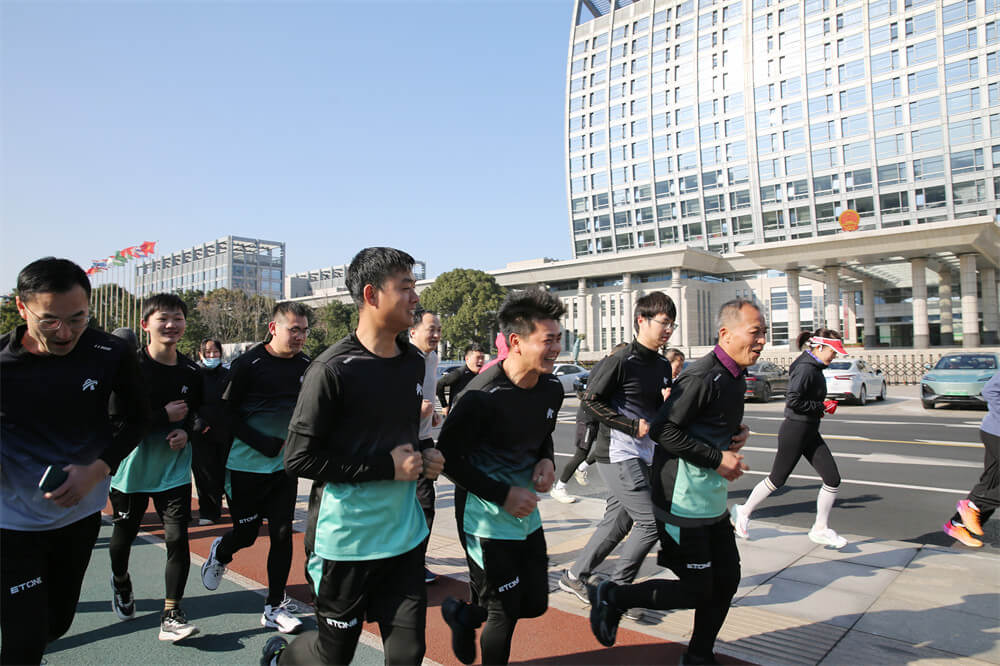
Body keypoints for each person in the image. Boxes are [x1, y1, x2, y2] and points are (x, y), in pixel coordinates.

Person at [265, 247, 444, 666]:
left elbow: (402, 438)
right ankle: (279, 658)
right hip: (345, 542)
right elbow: (298, 460)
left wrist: (427, 454)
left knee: (409, 653)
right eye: (406, 287)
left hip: (404, 535)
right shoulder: (332, 369)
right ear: (371, 294)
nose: (416, 297)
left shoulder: (413, 363)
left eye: (415, 286)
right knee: (333, 656)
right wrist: (386, 468)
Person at [589, 299, 761, 666]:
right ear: (726, 334)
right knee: (698, 589)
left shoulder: (734, 375)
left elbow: (706, 424)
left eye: (764, 333)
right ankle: (613, 597)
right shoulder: (702, 376)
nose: (762, 340)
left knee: (726, 580)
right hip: (680, 500)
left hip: (710, 499)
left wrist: (736, 434)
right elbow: (664, 430)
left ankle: (699, 656)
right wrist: (717, 458)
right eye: (755, 332)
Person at [1, 258, 149, 665]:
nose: (64, 333)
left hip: (79, 516)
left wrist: (97, 469)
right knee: (24, 640)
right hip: (10, 525)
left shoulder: (111, 353)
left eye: (77, 318)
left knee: (57, 623)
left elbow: (138, 419)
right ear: (22, 308)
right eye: (49, 321)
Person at [437, 289, 565, 666]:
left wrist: (547, 461)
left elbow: (543, 435)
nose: (556, 349)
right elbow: (446, 460)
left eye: (559, 338)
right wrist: (502, 495)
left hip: (526, 515)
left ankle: (462, 616)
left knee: (535, 603)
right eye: (548, 340)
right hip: (485, 518)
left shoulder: (552, 388)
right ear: (516, 342)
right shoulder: (480, 396)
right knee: (503, 611)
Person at [558, 293, 677, 622]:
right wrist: (629, 425)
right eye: (664, 323)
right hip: (617, 452)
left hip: (645, 452)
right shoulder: (622, 360)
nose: (668, 329)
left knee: (618, 521)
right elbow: (590, 401)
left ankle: (574, 576)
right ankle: (618, 592)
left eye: (672, 324)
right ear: (642, 320)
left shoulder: (662, 364)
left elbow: (655, 408)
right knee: (651, 522)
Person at [200, 303, 311, 635]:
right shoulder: (249, 364)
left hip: (283, 468)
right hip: (245, 466)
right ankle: (221, 550)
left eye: (305, 330)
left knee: (282, 534)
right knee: (246, 534)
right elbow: (223, 413)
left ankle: (274, 607)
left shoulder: (307, 366)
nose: (300, 337)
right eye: (294, 329)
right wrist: (261, 442)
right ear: (273, 328)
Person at [108, 293, 204, 641]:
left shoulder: (191, 371)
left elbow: (198, 414)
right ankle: (121, 581)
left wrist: (187, 431)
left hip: (173, 470)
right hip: (130, 470)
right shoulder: (127, 368)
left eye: (178, 318)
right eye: (163, 318)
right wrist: (163, 416)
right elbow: (115, 420)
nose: (171, 324)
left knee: (177, 539)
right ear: (145, 324)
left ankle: (172, 613)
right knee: (123, 538)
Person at [731, 329, 849, 548]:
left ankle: (820, 528)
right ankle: (743, 512)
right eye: (833, 352)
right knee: (777, 479)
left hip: (809, 430)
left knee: (832, 479)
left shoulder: (813, 366)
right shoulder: (806, 368)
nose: (834, 356)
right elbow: (793, 400)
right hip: (796, 429)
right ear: (819, 347)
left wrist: (820, 407)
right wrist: (821, 406)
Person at [943, 369, 1000, 548]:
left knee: (990, 483)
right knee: (990, 486)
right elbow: (990, 390)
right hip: (996, 433)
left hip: (993, 431)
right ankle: (973, 506)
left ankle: (957, 525)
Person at [409, 308, 444, 583]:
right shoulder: (402, 358)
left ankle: (416, 562)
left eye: (439, 330)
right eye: (431, 329)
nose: (436, 335)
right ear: (413, 331)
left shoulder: (432, 358)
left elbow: (428, 392)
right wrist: (414, 411)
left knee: (425, 503)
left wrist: (431, 413)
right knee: (406, 506)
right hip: (401, 441)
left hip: (424, 439)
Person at [191, 338, 230, 525]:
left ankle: (235, 509)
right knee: (205, 474)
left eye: (215, 352)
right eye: (208, 352)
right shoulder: (195, 375)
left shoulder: (228, 375)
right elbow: (189, 402)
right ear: (201, 355)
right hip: (202, 434)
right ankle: (208, 512)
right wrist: (198, 422)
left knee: (226, 473)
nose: (212, 356)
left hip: (225, 432)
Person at [437, 342, 485, 415]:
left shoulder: (482, 375)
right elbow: (440, 384)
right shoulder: (459, 373)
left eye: (482, 358)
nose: (481, 361)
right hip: (457, 415)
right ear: (467, 359)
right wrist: (444, 405)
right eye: (478, 358)